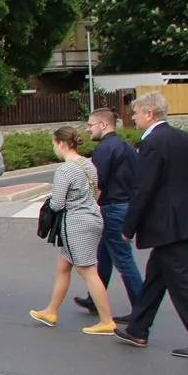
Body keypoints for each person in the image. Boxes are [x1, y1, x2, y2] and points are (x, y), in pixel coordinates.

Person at [115, 92, 188, 358]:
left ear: (149, 113)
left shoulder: (152, 143)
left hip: (165, 223)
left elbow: (144, 188)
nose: (133, 117)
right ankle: (138, 329)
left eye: (136, 113)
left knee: (183, 283)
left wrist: (129, 226)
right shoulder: (183, 138)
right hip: (183, 219)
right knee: (156, 277)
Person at [30, 126, 116, 335]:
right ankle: (51, 311)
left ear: (61, 143)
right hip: (93, 217)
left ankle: (107, 321)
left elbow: (58, 203)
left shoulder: (65, 170)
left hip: (76, 224)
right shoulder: (88, 164)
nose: (54, 148)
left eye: (54, 143)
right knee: (63, 266)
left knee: (88, 271)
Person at [75, 108, 144, 318]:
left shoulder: (104, 149)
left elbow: (98, 183)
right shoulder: (126, 146)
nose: (88, 129)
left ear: (103, 125)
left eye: (90, 125)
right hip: (124, 206)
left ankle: (141, 309)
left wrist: (87, 208)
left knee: (123, 260)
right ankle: (95, 300)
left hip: (112, 208)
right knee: (104, 256)